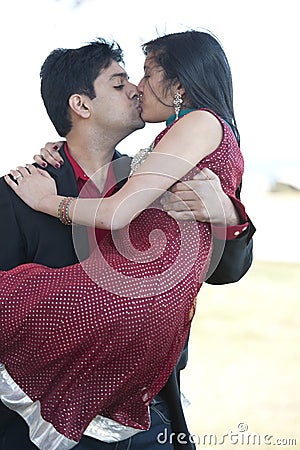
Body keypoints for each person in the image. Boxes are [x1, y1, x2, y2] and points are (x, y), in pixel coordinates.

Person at [0, 32, 255, 450]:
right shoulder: (17, 196)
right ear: (80, 105)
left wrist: (229, 215)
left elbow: (227, 270)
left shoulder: (166, 165)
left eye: (139, 76)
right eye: (120, 84)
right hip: (41, 422)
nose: (137, 88)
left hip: (149, 410)